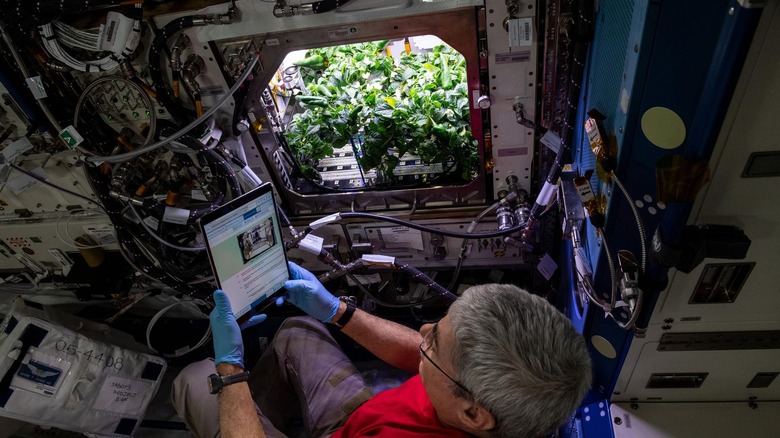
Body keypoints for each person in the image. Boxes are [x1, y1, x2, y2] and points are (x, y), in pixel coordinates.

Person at [172, 262, 592, 438]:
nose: (423, 331)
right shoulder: (486, 393)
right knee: (297, 329)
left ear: (473, 414)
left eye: (434, 341)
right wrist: (337, 311)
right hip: (364, 419)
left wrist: (231, 370)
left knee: (195, 379)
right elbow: (426, 357)